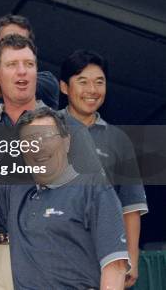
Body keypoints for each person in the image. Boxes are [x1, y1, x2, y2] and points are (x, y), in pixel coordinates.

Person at [0, 107, 129, 289]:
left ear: (66, 142)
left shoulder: (93, 188)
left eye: (48, 137)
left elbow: (115, 267)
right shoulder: (17, 193)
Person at [59, 49, 148, 288]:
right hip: (54, 251)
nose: (92, 90)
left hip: (104, 256)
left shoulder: (118, 139)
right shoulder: (46, 128)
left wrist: (132, 258)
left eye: (99, 82)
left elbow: (130, 205)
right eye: (83, 82)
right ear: (64, 87)